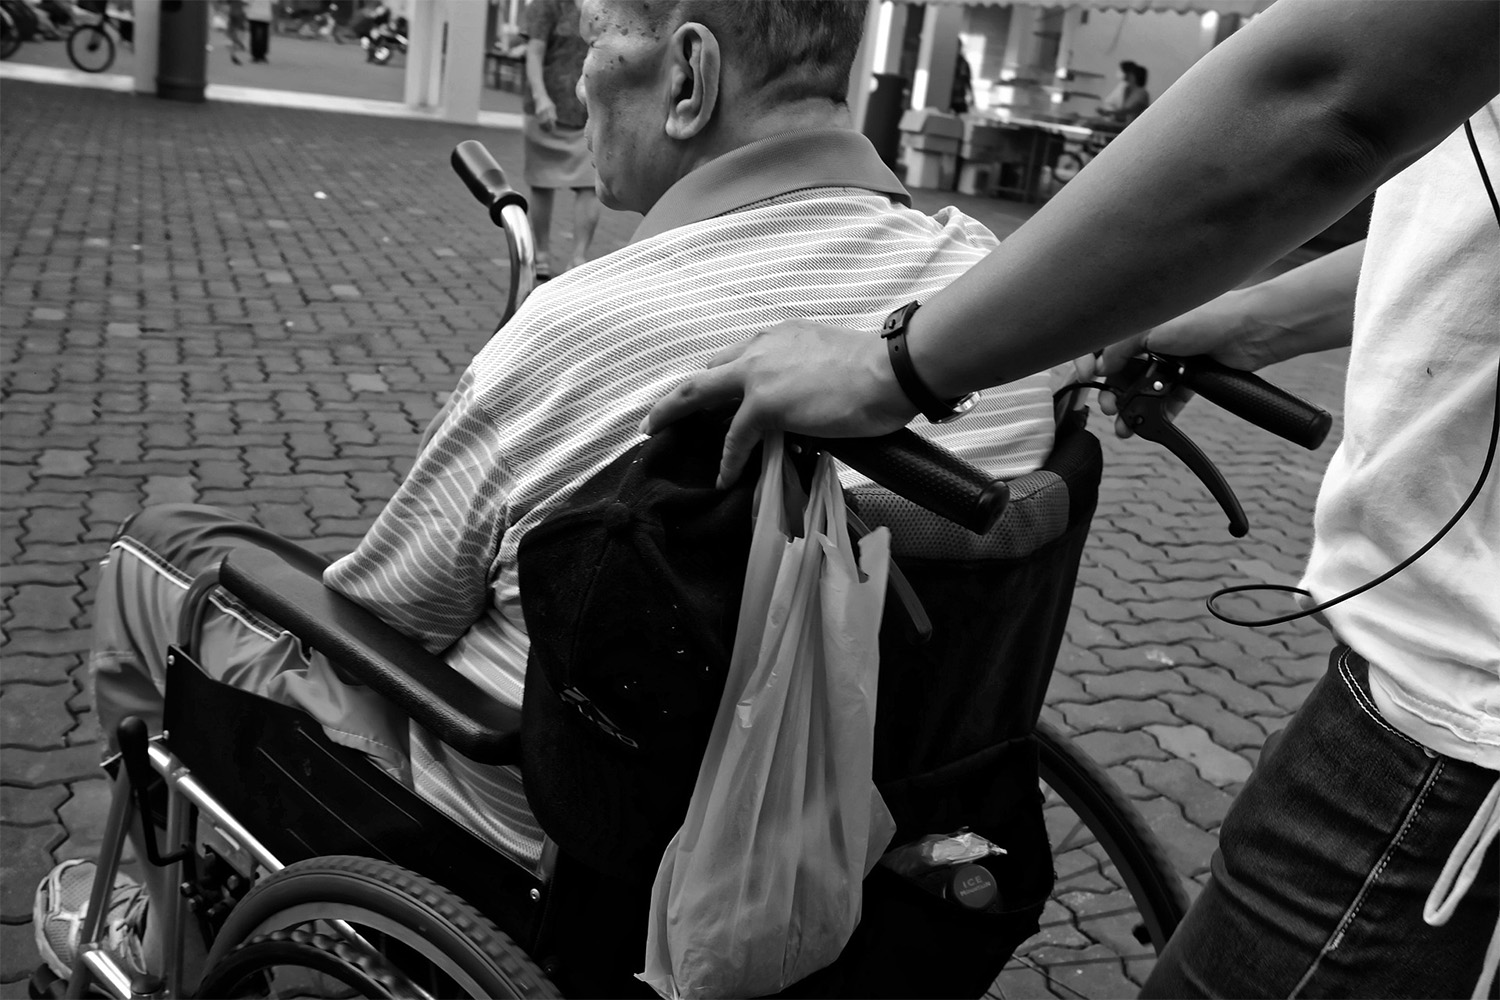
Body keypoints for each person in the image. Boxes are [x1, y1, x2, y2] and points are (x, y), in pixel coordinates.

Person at [32, 0, 1074, 986]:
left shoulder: (585, 326)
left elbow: (387, 618)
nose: (578, 81)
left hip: (552, 847)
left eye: (595, 37)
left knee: (162, 550)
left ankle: (161, 934)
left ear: (688, 78)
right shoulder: (993, 295)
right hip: (873, 823)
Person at [643, 1, 1499, 996]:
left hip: (1452, 717)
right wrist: (1255, 320)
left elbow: (1326, 90)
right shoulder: (957, 242)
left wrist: (898, 364)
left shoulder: (599, 314)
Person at [521, 0, 600, 280]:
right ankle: (541, 254)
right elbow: (534, 53)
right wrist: (540, 97)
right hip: (548, 109)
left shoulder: (604, 5)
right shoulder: (546, 5)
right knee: (543, 181)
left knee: (589, 185)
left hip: (589, 109)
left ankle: (579, 257)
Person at [1095, 60, 1150, 125]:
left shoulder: (1141, 93)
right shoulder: (1128, 91)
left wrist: (1110, 113)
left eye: (1130, 74)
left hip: (1132, 126)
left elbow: (1130, 110)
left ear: (1134, 76)